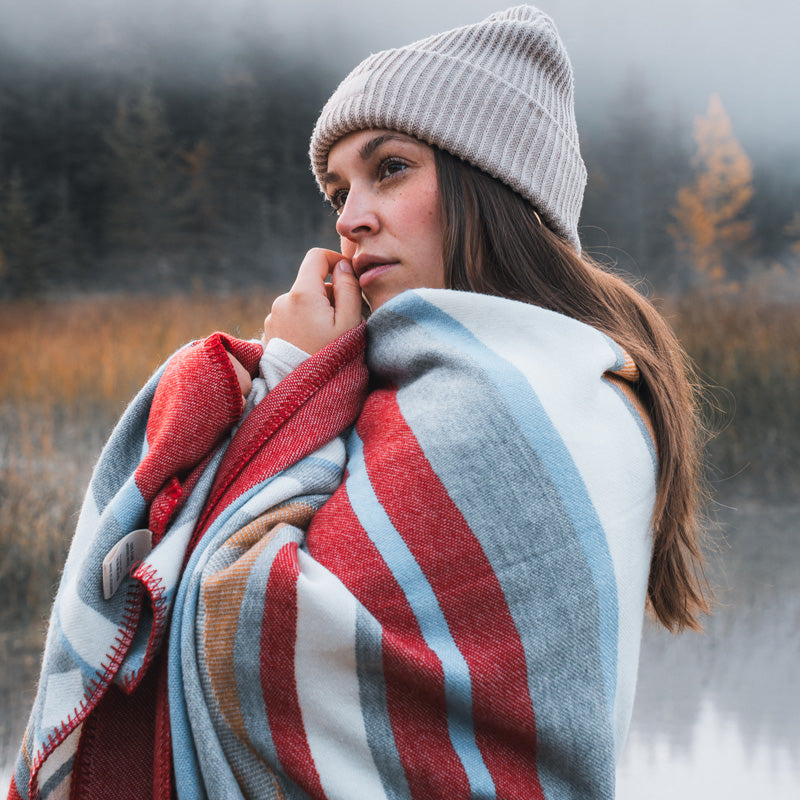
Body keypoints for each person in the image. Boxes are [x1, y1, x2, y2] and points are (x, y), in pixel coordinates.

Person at [9, 6, 711, 799]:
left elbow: (245, 635)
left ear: (494, 184)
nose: (349, 219)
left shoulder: (506, 405)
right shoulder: (587, 381)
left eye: (391, 169)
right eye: (339, 190)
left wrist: (291, 380)